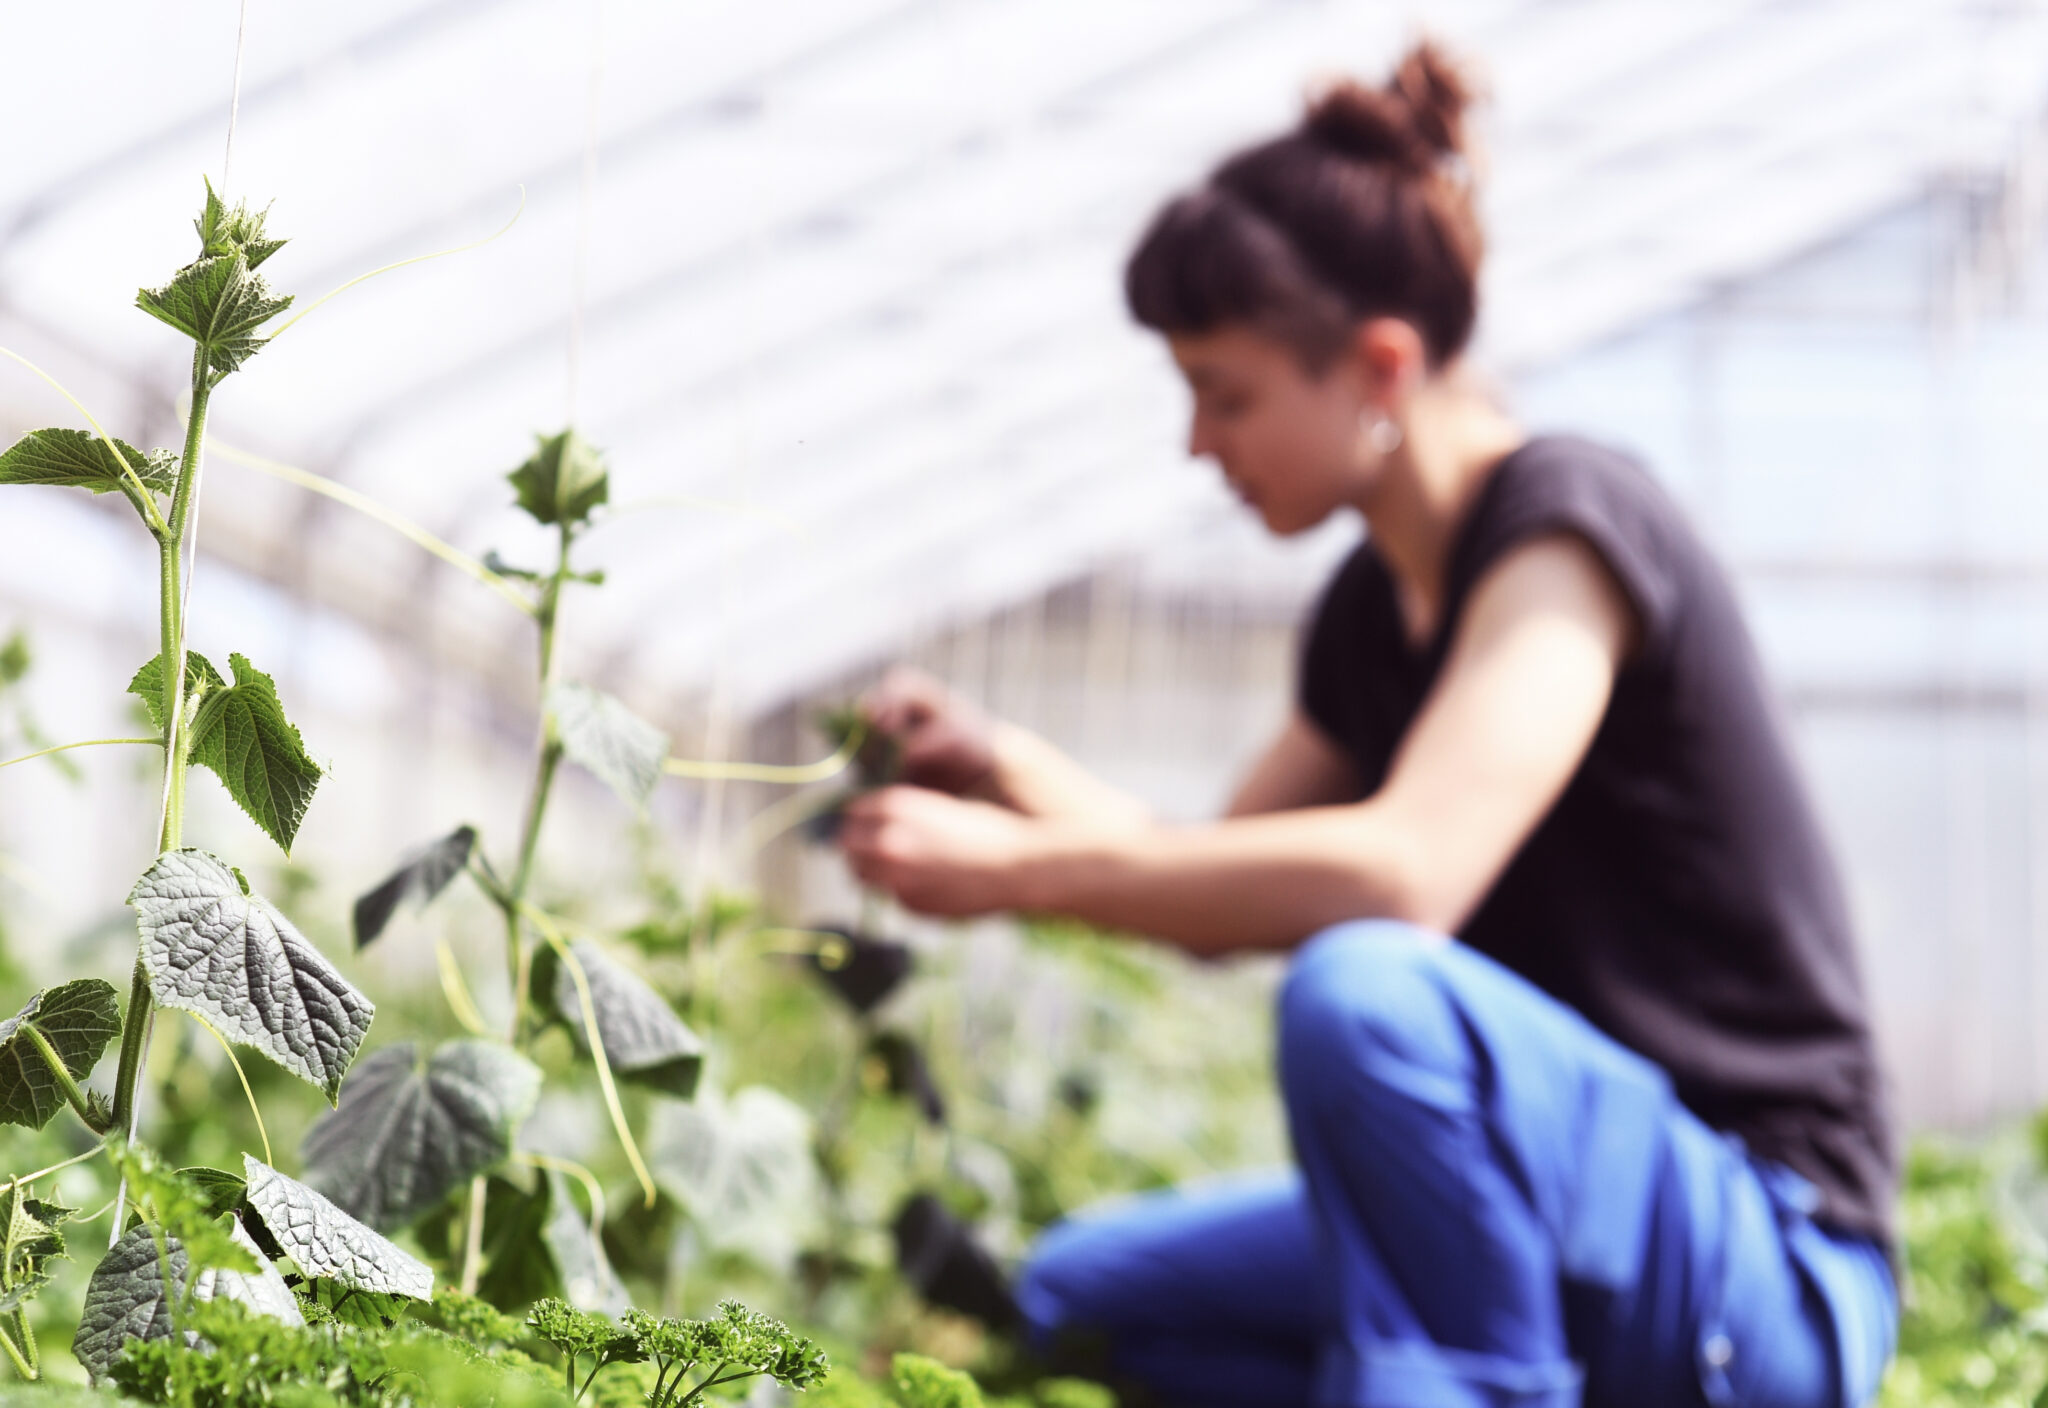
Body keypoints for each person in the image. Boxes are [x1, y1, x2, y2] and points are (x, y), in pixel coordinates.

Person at [836, 40, 1896, 1408]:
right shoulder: (1367, 611)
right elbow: (1214, 871)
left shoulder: (1568, 529)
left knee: (1364, 990)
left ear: (1381, 367)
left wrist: (1011, 876)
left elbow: (1405, 874)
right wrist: (1003, 773)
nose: (1200, 445)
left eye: (1228, 395)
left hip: (1761, 1260)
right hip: (1557, 1222)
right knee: (1079, 1298)